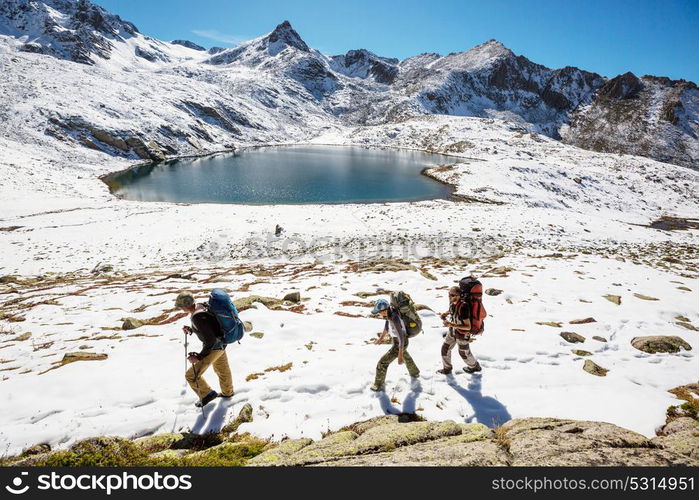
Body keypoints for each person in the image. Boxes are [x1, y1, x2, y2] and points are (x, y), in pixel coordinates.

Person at [175, 291, 234, 407]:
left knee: (191, 375)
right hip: (221, 344)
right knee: (222, 370)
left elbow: (210, 339)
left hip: (214, 347)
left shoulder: (197, 316)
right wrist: (191, 330)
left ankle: (207, 394)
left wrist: (199, 356)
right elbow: (209, 328)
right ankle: (228, 393)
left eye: (181, 306)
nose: (181, 309)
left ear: (185, 306)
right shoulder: (201, 307)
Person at [370, 298, 420, 392]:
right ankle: (415, 373)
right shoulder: (389, 313)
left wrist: (399, 355)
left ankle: (378, 384)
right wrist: (381, 339)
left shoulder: (394, 317)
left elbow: (401, 337)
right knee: (406, 356)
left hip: (401, 342)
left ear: (384, 311)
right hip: (397, 340)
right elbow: (386, 326)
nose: (378, 314)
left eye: (379, 312)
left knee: (383, 363)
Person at [438, 286, 482, 374]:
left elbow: (468, 327)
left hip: (462, 334)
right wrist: (445, 313)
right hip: (452, 331)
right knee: (445, 348)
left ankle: (475, 367)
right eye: (449, 294)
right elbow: (452, 310)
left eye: (452, 295)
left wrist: (451, 324)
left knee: (464, 353)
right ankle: (447, 369)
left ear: (459, 296)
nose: (449, 296)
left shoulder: (464, 307)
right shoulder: (453, 303)